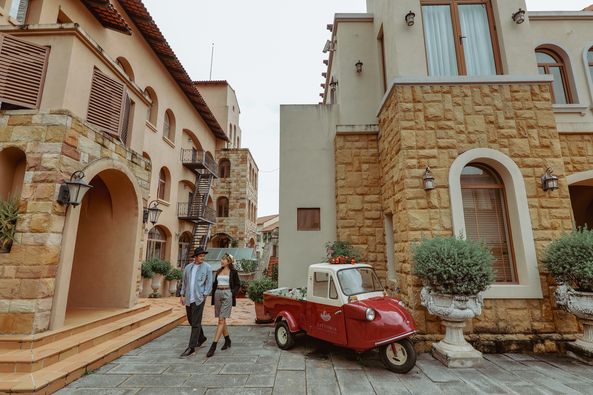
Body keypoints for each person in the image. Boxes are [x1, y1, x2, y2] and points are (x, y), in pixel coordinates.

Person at [179, 246, 212, 357]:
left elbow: (209, 282)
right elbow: (184, 282)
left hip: (199, 298)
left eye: (203, 256)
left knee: (196, 323)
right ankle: (201, 338)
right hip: (189, 298)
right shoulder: (188, 267)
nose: (202, 258)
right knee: (191, 320)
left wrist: (205, 294)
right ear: (196, 257)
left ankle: (191, 347)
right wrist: (182, 295)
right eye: (200, 256)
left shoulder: (207, 267)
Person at [206, 253, 241, 357]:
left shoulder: (233, 272)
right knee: (222, 319)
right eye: (221, 259)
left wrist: (231, 293)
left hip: (227, 293)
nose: (222, 261)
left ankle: (213, 345)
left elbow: (238, 284)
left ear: (229, 261)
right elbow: (214, 284)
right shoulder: (218, 271)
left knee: (221, 319)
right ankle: (227, 340)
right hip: (217, 293)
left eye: (224, 259)